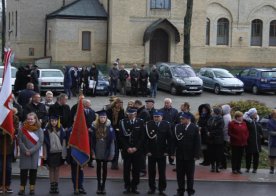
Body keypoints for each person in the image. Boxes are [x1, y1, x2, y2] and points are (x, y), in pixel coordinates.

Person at [172, 113, 201, 196]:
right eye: (181, 119)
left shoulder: (195, 128)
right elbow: (174, 141)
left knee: (190, 175)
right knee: (180, 175)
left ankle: (190, 191)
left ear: (188, 119)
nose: (181, 120)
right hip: (180, 155)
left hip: (190, 156)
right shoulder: (178, 127)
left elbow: (197, 143)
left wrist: (196, 155)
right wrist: (172, 152)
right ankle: (180, 191)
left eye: (183, 119)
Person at [145, 111, 172, 195]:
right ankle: (152, 188)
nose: (156, 118)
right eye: (155, 117)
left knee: (162, 172)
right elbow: (145, 139)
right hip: (151, 152)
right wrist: (147, 151)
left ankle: (162, 189)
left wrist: (167, 151)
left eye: (158, 117)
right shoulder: (149, 124)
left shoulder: (166, 124)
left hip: (162, 152)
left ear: (162, 117)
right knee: (151, 171)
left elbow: (170, 139)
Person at [119, 108, 145, 194]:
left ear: (136, 114)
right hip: (127, 150)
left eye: (132, 114)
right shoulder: (122, 122)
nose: (130, 115)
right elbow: (121, 137)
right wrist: (127, 148)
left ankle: (134, 186)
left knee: (136, 169)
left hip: (137, 151)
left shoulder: (140, 122)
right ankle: (127, 186)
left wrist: (136, 148)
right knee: (126, 169)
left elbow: (142, 137)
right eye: (129, 114)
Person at [17, 112, 44, 195]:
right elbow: (19, 140)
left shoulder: (39, 129)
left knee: (33, 172)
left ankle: (32, 188)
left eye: (32, 119)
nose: (30, 120)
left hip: (34, 153)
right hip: (24, 153)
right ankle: (22, 188)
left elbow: (40, 142)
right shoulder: (22, 128)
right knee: (23, 172)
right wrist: (25, 150)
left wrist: (31, 151)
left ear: (35, 119)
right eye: (28, 119)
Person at [91, 110, 115, 194]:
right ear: (98, 118)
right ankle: (98, 184)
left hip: (106, 149)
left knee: (105, 168)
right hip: (97, 148)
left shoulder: (110, 127)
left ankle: (103, 185)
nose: (102, 119)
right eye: (101, 117)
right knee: (98, 167)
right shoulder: (94, 126)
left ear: (106, 118)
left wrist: (112, 153)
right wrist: (92, 152)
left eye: (104, 117)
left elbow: (112, 141)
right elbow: (92, 141)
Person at [43, 115, 67, 194]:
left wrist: (64, 155)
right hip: (50, 153)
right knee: (51, 169)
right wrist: (45, 155)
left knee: (57, 169)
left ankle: (56, 185)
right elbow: (45, 144)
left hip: (58, 153)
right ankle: (52, 185)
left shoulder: (61, 130)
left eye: (55, 121)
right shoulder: (46, 131)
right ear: (50, 121)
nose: (54, 122)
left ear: (58, 121)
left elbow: (63, 143)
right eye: (52, 121)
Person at [106, 98, 125, 170]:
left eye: (120, 103)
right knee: (114, 148)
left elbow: (122, 120)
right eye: (117, 103)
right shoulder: (109, 110)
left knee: (118, 148)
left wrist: (119, 128)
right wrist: (113, 128)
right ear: (115, 103)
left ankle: (116, 163)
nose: (119, 104)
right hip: (112, 131)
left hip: (119, 132)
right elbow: (108, 121)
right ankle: (114, 163)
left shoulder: (122, 111)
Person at [243, 108, 263, 173]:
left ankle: (255, 168)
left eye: (256, 113)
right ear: (252, 114)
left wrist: (261, 135)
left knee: (256, 156)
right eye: (255, 113)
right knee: (248, 155)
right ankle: (247, 168)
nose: (256, 114)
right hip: (249, 141)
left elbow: (260, 129)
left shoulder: (257, 120)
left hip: (257, 141)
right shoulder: (247, 121)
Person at [159, 98, 178, 165]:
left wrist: (171, 125)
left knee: (171, 145)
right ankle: (161, 157)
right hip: (162, 130)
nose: (166, 104)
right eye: (165, 103)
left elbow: (176, 121)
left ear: (171, 103)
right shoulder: (160, 110)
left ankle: (171, 160)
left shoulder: (175, 111)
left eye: (168, 103)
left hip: (171, 130)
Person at [134, 100, 151, 177]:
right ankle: (140, 169)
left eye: (135, 105)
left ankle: (142, 170)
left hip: (143, 137)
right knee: (140, 155)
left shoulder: (143, 112)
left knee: (141, 155)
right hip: (141, 136)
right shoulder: (143, 111)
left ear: (138, 104)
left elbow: (141, 125)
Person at [207, 107, 224, 173]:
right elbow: (207, 126)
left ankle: (217, 166)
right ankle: (212, 166)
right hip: (211, 139)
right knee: (211, 153)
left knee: (218, 154)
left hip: (218, 140)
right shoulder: (211, 118)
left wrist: (210, 133)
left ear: (215, 112)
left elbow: (219, 130)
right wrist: (207, 132)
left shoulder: (220, 119)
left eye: (212, 111)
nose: (211, 112)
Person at [83, 99, 96, 168]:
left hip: (90, 132)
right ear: (84, 104)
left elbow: (94, 122)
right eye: (88, 103)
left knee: (90, 146)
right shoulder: (80, 112)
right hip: (83, 132)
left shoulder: (92, 112)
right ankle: (84, 161)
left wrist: (92, 128)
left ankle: (90, 161)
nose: (90, 104)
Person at [0, 129, 14, 194]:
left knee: (8, 168)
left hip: (9, 148)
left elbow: (15, 130)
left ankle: (7, 185)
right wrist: (2, 132)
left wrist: (8, 130)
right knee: (0, 168)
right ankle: (0, 185)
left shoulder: (14, 118)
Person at [221, 104, 232, 169]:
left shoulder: (226, 117)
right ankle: (223, 164)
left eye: (222, 109)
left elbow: (224, 128)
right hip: (226, 137)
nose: (221, 110)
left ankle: (223, 165)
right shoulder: (227, 116)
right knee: (224, 151)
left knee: (223, 151)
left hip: (225, 137)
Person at [267, 109, 276, 174]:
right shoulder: (270, 122)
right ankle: (272, 169)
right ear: (273, 115)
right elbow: (270, 132)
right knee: (272, 156)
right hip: (273, 142)